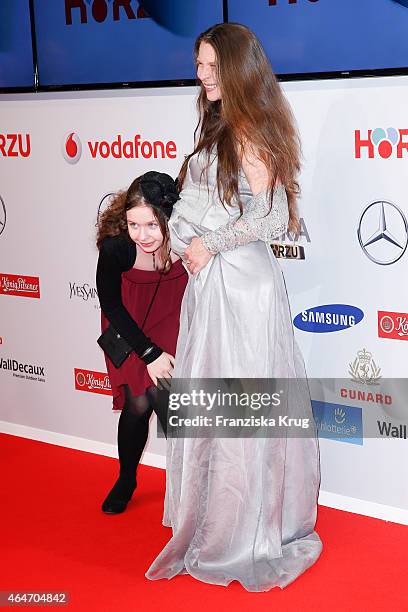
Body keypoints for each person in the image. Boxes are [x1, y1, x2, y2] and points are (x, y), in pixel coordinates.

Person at [146, 24, 322, 591]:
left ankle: (246, 532)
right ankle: (217, 522)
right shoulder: (218, 123)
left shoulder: (249, 128)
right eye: (198, 65)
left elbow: (272, 220)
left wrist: (208, 243)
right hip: (213, 287)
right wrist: (184, 232)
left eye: (212, 68)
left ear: (239, 71)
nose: (201, 77)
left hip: (243, 288)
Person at [96, 171, 187, 514]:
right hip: (130, 323)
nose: (142, 235)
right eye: (134, 225)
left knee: (177, 402)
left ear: (169, 216)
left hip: (173, 317)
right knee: (139, 402)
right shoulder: (117, 247)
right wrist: (148, 353)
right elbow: (111, 304)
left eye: (151, 225)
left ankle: (188, 488)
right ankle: (127, 477)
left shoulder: (186, 237)